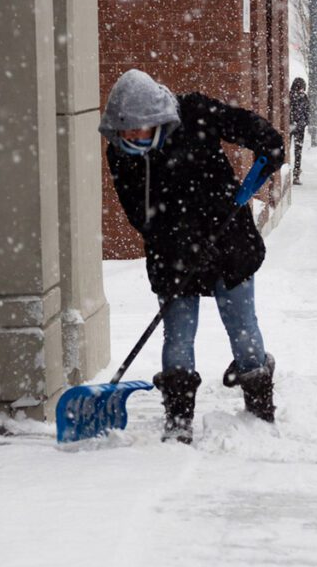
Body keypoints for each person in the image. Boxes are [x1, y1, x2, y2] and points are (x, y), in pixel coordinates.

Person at [98, 69, 285, 443]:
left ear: (157, 119)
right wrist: (182, 246)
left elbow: (243, 125)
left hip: (227, 240)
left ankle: (261, 410)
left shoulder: (194, 112)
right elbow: (140, 214)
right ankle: (178, 420)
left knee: (242, 327)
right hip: (173, 253)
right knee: (178, 335)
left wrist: (269, 144)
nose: (132, 138)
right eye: (125, 132)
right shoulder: (122, 155)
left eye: (138, 130)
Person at [289, 77, 309, 185]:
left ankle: (287, 171)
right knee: (298, 152)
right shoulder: (304, 97)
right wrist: (304, 122)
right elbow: (307, 112)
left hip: (290, 127)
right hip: (299, 128)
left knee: (287, 150)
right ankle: (296, 175)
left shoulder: (289, 96)